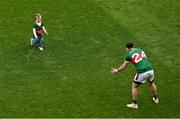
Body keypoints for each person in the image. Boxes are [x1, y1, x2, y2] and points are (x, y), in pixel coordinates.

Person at [111, 42, 159, 109]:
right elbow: (145, 59)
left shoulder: (129, 56)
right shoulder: (140, 50)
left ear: (127, 48)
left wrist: (117, 70)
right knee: (151, 83)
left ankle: (134, 104)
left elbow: (124, 67)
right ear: (133, 46)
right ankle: (156, 99)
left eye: (126, 49)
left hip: (142, 72)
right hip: (150, 70)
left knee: (134, 86)